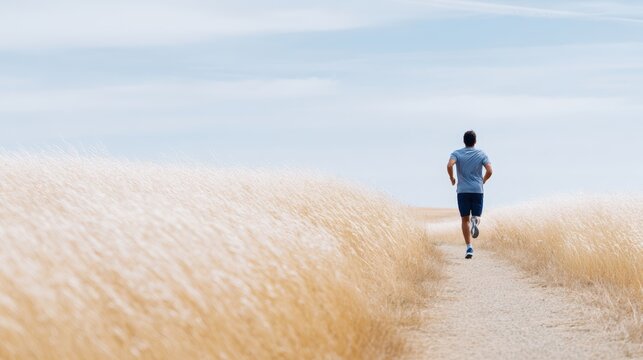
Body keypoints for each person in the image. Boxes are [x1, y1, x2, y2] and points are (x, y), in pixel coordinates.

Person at [447, 130, 493, 259]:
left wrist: (452, 178)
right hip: (477, 190)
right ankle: (475, 222)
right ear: (475, 141)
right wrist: (483, 180)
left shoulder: (456, 153)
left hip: (462, 190)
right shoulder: (481, 154)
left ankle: (469, 247)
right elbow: (490, 170)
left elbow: (449, 165)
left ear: (464, 141)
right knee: (477, 216)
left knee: (464, 219)